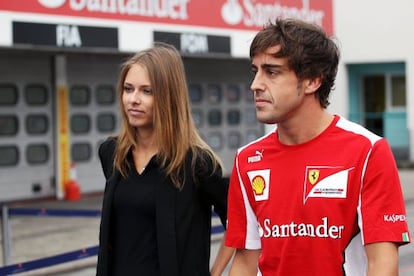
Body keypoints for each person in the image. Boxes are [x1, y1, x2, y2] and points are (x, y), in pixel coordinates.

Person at [225, 17, 411, 275]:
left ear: (313, 81)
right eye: (255, 71)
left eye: (272, 71)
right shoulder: (247, 159)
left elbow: (382, 263)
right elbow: (245, 261)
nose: (255, 84)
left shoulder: (368, 150)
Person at [96, 42, 233, 276]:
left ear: (168, 97)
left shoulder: (196, 163)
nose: (133, 99)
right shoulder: (112, 153)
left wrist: (216, 272)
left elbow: (240, 221)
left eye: (146, 91)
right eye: (128, 89)